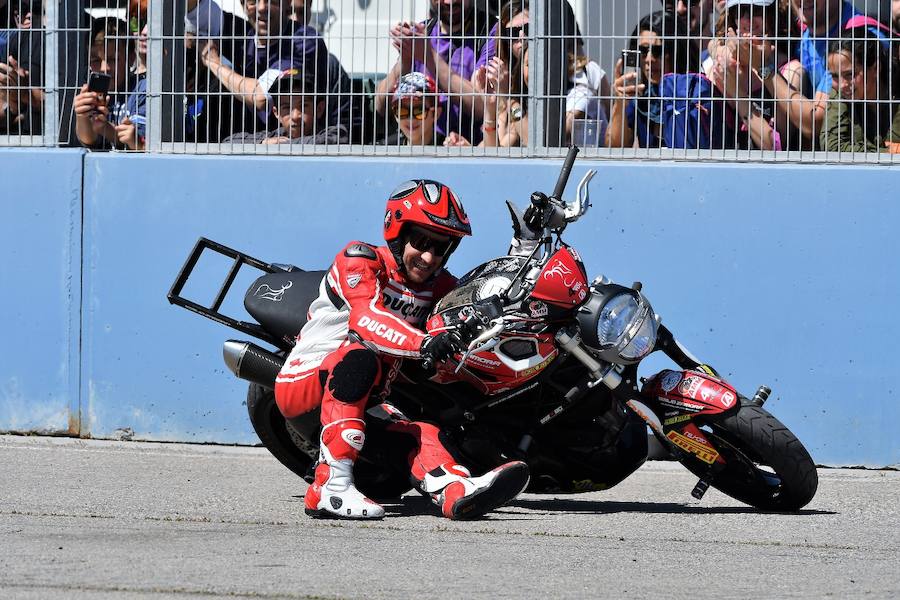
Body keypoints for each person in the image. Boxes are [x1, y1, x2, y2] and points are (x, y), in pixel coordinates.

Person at [274, 180, 530, 520]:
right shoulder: (360, 260)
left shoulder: (439, 285)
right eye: (422, 242)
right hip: (306, 381)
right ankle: (329, 488)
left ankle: (455, 491)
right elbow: (366, 320)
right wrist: (424, 343)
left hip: (370, 399)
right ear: (397, 232)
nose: (428, 257)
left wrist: (523, 249)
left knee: (421, 433)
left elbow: (482, 297)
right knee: (359, 357)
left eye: (441, 248)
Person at [731, 0, 889, 148]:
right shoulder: (798, 29)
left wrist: (763, 68)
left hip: (864, 158)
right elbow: (715, 39)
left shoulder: (861, 39)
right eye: (739, 12)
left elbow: (814, 122)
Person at [197, 0, 328, 133]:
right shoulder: (241, 32)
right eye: (253, 1)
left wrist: (213, 61)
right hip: (245, 141)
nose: (261, 8)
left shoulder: (303, 40)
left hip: (294, 144)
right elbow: (195, 9)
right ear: (244, 5)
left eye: (272, 1)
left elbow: (261, 97)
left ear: (287, 3)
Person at [375, 0, 495, 144]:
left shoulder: (489, 31)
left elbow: (482, 104)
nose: (449, 2)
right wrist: (404, 62)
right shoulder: (425, 30)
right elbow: (380, 106)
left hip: (467, 149)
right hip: (422, 147)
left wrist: (429, 56)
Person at [706, 0, 800, 150]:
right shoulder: (722, 64)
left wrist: (737, 93)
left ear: (772, 14)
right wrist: (717, 48)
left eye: (756, 10)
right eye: (739, 11)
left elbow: (777, 146)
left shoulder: (791, 71)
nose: (746, 19)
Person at [607, 11, 684, 148]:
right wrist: (620, 101)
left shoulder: (693, 92)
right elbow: (614, 147)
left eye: (658, 51)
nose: (649, 59)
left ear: (676, 52)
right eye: (643, 50)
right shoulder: (639, 97)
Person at [820, 25, 900, 152]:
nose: (842, 85)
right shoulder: (840, 91)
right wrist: (884, 152)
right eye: (834, 76)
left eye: (850, 74)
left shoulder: (896, 92)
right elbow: (832, 146)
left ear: (875, 68)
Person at [72, 18, 147, 150]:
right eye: (95, 60)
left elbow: (140, 143)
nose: (104, 67)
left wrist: (106, 128)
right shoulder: (85, 90)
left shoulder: (142, 89)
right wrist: (82, 116)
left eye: (113, 59)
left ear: (131, 58)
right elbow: (89, 141)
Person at [223, 66, 347, 145]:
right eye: (287, 108)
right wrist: (262, 142)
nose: (295, 116)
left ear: (319, 109)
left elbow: (325, 142)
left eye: (303, 106)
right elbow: (229, 141)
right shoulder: (275, 136)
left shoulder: (334, 133)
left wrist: (280, 147)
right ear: (276, 113)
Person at [382, 71, 445, 146]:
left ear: (435, 114)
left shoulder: (450, 150)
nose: (410, 119)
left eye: (419, 111)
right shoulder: (386, 149)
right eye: (402, 111)